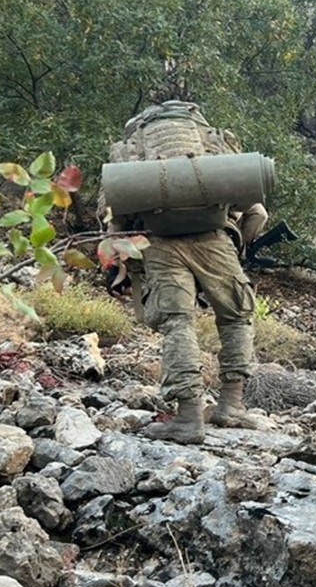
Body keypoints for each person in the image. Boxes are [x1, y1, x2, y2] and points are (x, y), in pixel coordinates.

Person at [101, 101, 265, 443]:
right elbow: (258, 212)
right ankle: (231, 405)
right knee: (236, 317)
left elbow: (112, 214)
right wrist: (239, 247)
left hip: (159, 243)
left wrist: (117, 265)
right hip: (215, 240)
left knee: (177, 323)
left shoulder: (132, 148)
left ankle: (189, 419)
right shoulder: (212, 142)